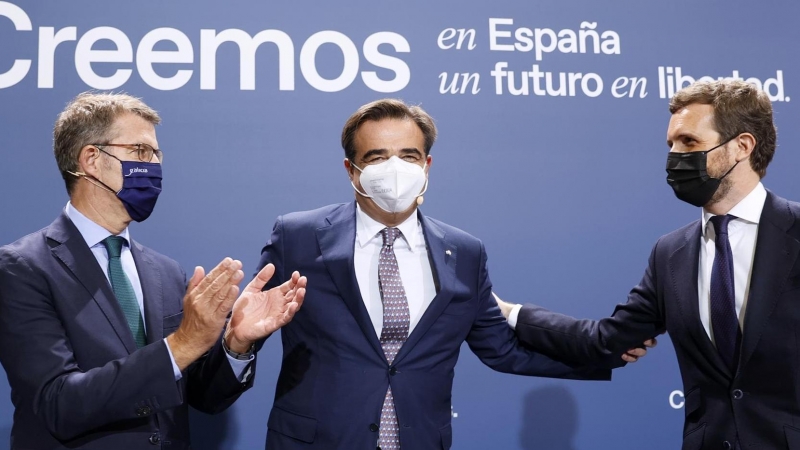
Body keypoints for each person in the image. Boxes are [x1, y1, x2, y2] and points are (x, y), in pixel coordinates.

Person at [254, 99, 649, 450]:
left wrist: (599, 356)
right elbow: (248, 329)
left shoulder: (464, 252)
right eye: (377, 157)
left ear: (427, 165)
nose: (395, 169)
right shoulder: (298, 236)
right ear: (352, 170)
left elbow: (502, 348)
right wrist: (232, 348)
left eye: (408, 156)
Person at [495, 79, 798, 450]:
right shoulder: (671, 252)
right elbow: (608, 341)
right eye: (671, 144)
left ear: (742, 146)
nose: (674, 156)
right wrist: (509, 312)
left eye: (689, 142)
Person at [0, 92, 307, 450]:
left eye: (156, 154)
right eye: (140, 152)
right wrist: (182, 344)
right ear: (91, 160)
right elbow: (59, 404)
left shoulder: (165, 272)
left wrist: (235, 343)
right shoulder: (22, 268)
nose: (154, 166)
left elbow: (202, 397)